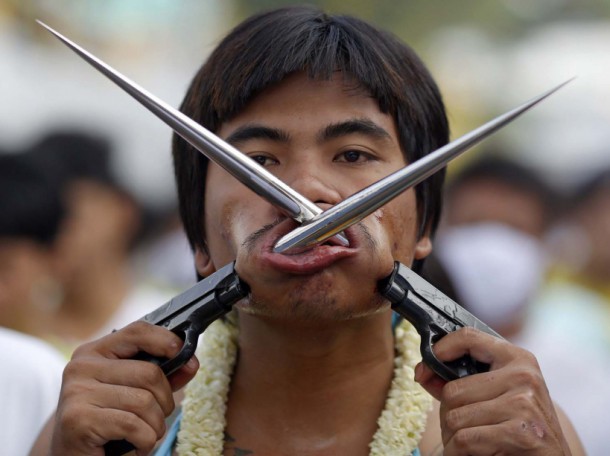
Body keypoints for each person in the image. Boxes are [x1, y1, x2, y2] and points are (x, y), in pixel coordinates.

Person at [32, 7, 584, 455]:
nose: (308, 192)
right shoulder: (111, 423)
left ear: (424, 224)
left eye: (352, 153)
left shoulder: (508, 429)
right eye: (259, 161)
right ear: (198, 238)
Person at [429, 155, 610, 455]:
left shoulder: (588, 372)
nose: (492, 248)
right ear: (440, 230)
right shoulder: (396, 348)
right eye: (475, 224)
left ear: (547, 244)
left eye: (514, 229)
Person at [25, 129, 173, 356]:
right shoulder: (18, 330)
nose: (49, 229)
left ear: (122, 209)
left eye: (66, 211)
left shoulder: (174, 324)